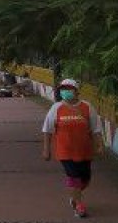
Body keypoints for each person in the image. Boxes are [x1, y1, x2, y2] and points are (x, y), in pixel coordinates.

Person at [42, 79, 103, 218]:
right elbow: (47, 130)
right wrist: (46, 150)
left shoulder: (87, 107)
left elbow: (96, 128)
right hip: (65, 151)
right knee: (74, 176)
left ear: (76, 91)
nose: (66, 91)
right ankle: (79, 206)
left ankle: (74, 197)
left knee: (85, 179)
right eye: (63, 89)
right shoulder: (56, 108)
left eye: (69, 88)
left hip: (84, 150)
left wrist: (99, 145)